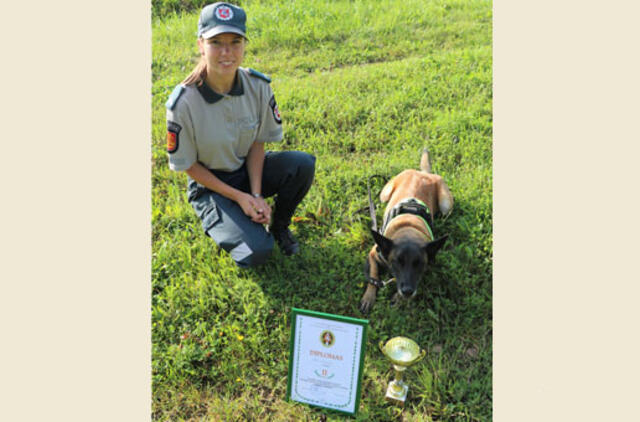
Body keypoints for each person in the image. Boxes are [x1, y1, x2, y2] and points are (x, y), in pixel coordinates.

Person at [165, 2, 315, 267]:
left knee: (302, 164)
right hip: (210, 186)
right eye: (216, 42)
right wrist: (238, 198)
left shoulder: (258, 86)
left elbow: (257, 143)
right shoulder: (183, 103)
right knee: (255, 253)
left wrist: (256, 195)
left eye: (235, 41)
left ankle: (278, 226)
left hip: (245, 170)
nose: (227, 52)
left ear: (245, 44)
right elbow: (187, 165)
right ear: (201, 45)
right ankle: (222, 221)